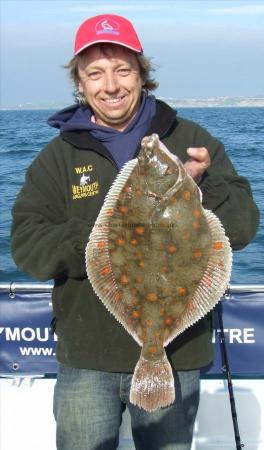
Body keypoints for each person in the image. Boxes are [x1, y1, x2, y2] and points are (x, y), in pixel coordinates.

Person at [11, 14, 259, 450]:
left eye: (123, 70)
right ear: (81, 83)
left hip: (175, 355)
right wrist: (109, 235)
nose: (111, 85)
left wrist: (200, 188)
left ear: (143, 76)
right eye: (95, 73)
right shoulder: (57, 157)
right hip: (87, 358)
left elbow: (240, 227)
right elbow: (28, 248)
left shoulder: (192, 138)